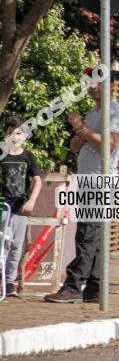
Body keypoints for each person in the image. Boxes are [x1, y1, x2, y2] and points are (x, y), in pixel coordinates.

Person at [46, 68, 119, 303]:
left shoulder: (113, 111)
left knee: (87, 233)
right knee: (96, 234)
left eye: (97, 82)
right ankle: (95, 287)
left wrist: (81, 127)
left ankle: (72, 285)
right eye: (90, 82)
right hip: (88, 178)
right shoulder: (92, 113)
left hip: (100, 180)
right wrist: (79, 131)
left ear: (109, 86)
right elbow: (74, 147)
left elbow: (109, 144)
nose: (91, 86)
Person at [1, 117, 43, 299]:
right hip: (3, 206)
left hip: (20, 207)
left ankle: (10, 282)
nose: (14, 137)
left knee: (16, 245)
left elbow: (37, 181)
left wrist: (31, 201)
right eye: (10, 133)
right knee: (3, 244)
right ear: (4, 134)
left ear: (25, 136)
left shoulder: (28, 156)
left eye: (18, 133)